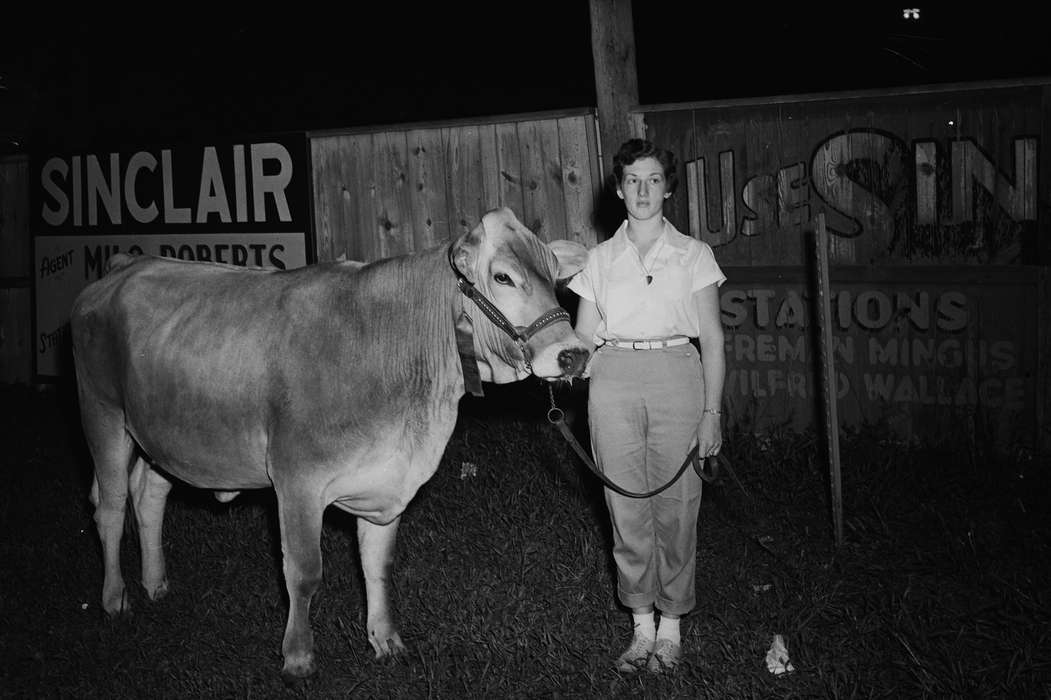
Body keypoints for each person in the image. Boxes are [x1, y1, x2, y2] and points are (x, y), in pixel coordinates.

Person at [567, 138, 726, 673]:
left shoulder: (694, 254)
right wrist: (558, 361)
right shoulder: (599, 259)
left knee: (678, 505)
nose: (642, 189)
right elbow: (586, 338)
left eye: (653, 179)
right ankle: (640, 628)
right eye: (632, 179)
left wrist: (712, 413)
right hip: (612, 378)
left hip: (677, 375)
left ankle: (673, 625)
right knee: (626, 504)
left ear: (668, 188)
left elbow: (713, 339)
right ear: (618, 188)